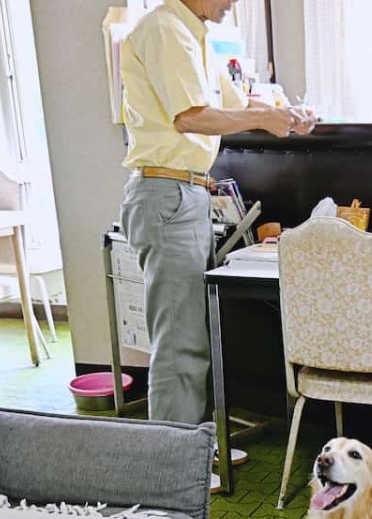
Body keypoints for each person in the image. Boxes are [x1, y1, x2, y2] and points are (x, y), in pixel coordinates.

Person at [119, 0, 314, 490]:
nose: (232, 2)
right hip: (166, 192)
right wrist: (266, 121)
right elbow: (190, 117)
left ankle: (195, 448)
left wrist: (282, 115)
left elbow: (234, 103)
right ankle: (170, 467)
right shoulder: (165, 30)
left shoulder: (196, 35)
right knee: (180, 341)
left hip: (186, 192)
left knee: (195, 335)